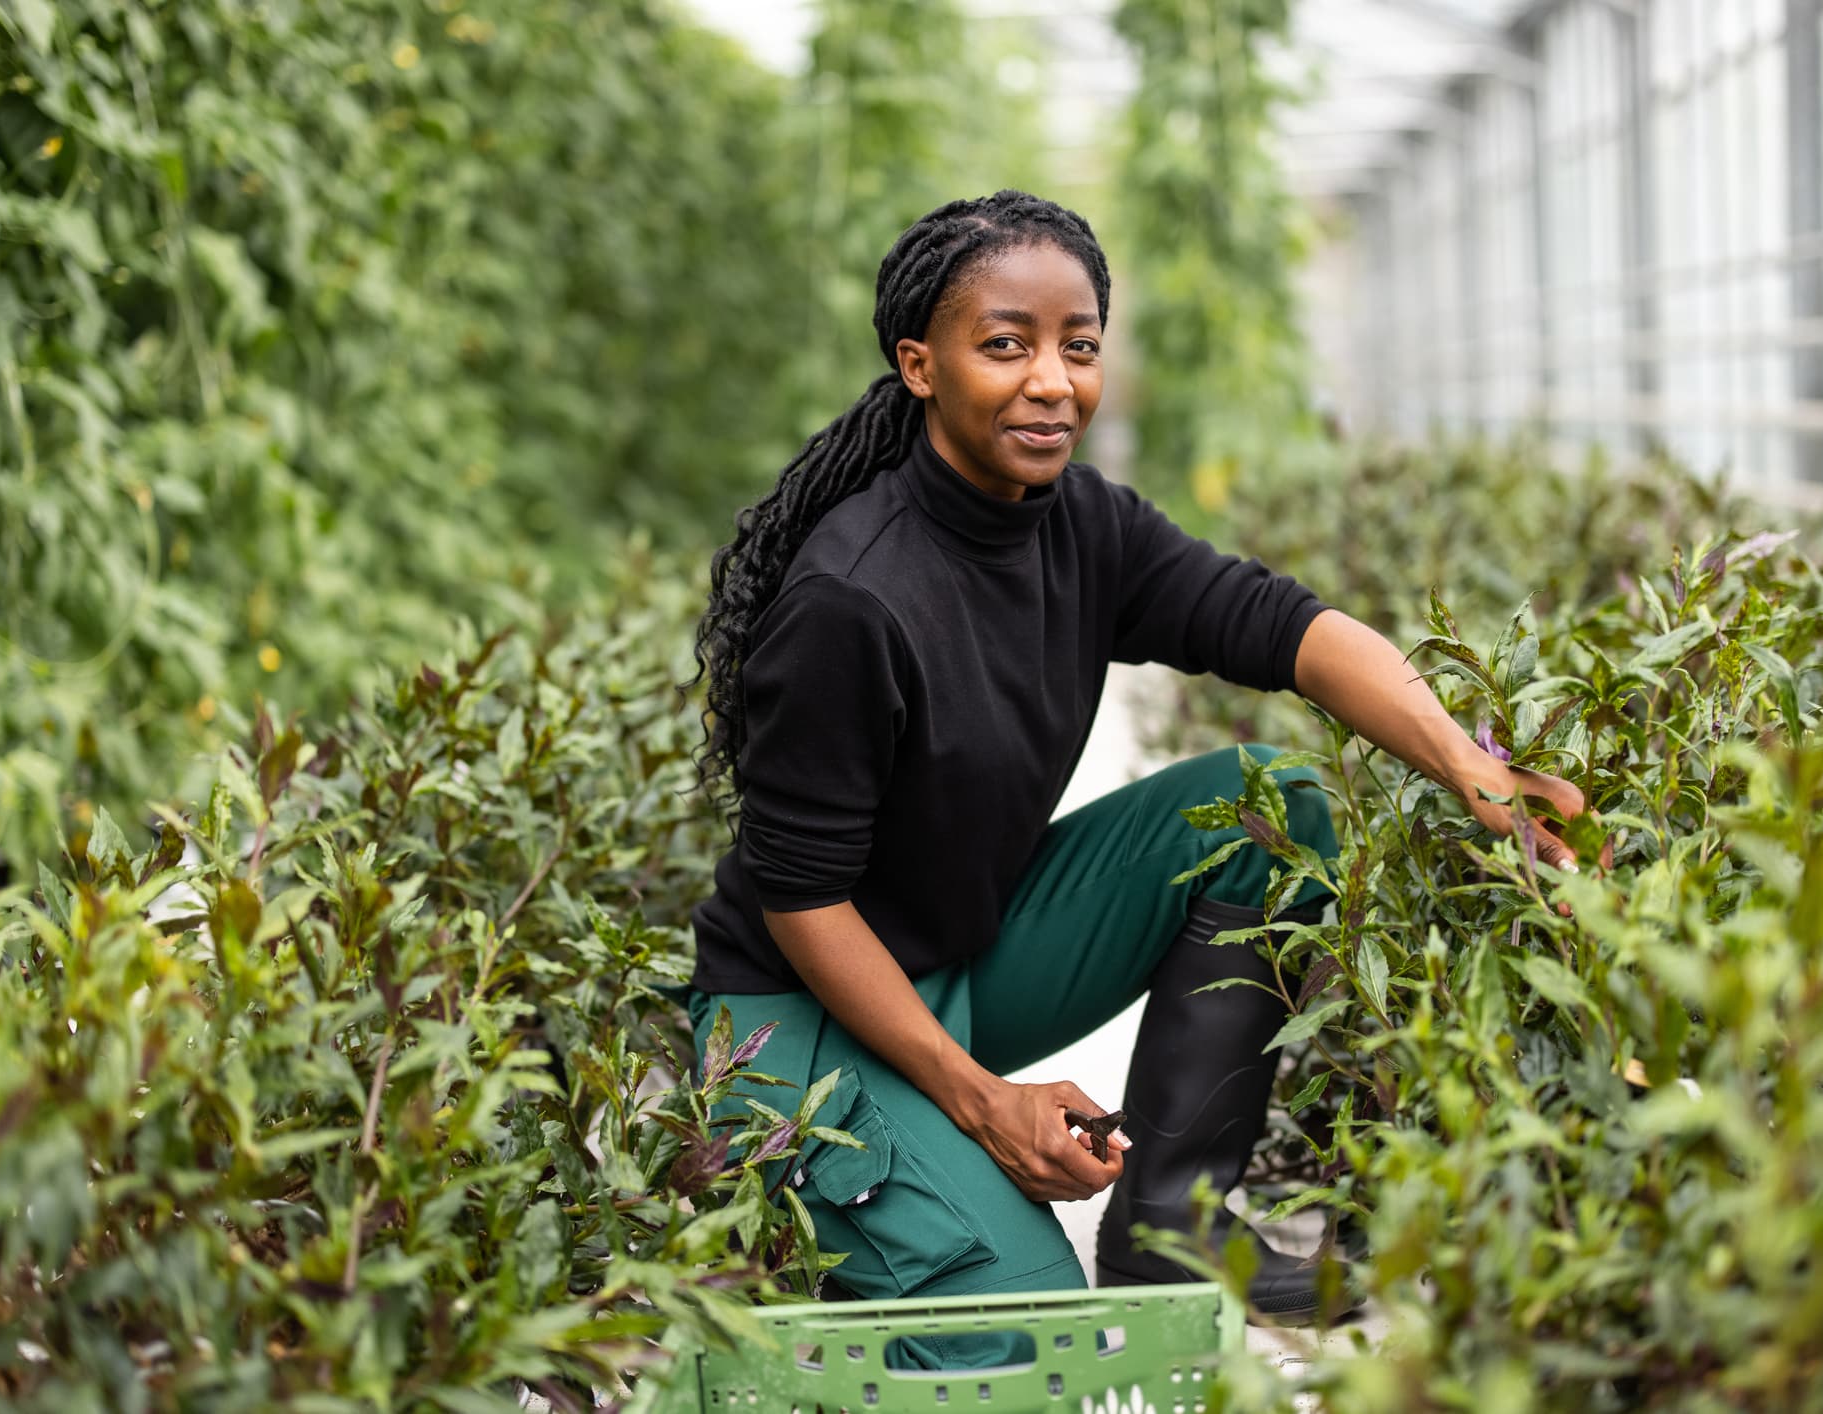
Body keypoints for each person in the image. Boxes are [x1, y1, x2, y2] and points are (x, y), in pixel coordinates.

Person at [678, 190, 1588, 1366]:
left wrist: (1468, 765)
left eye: (1078, 346)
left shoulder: (1079, 523)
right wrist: (981, 1102)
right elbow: (800, 902)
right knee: (1023, 1336)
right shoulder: (850, 601)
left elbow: (1282, 627)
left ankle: (1170, 1227)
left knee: (1268, 806)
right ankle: (846, 1207)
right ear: (918, 365)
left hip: (959, 957)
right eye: (1004, 345)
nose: (1050, 382)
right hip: (793, 1019)